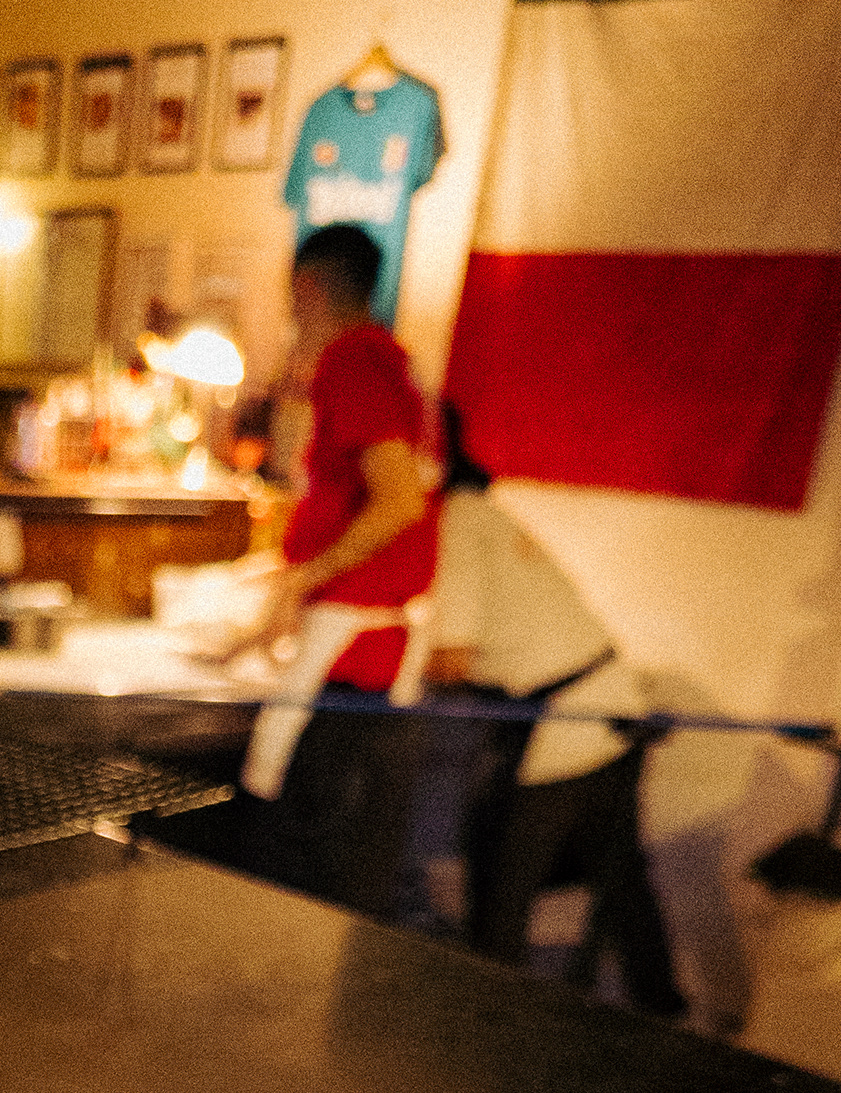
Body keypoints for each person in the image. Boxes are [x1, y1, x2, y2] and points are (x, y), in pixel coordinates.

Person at [198, 224, 438, 920]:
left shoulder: (355, 361)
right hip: (369, 646)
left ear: (305, 287)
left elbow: (399, 500)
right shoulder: (389, 362)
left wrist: (307, 577)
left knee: (289, 854)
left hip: (351, 656)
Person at [426, 402, 686, 1015]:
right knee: (620, 877)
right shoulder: (485, 511)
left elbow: (453, 660)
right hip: (611, 700)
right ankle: (667, 1011)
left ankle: (483, 1022)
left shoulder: (460, 519)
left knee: (502, 880)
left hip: (566, 722)